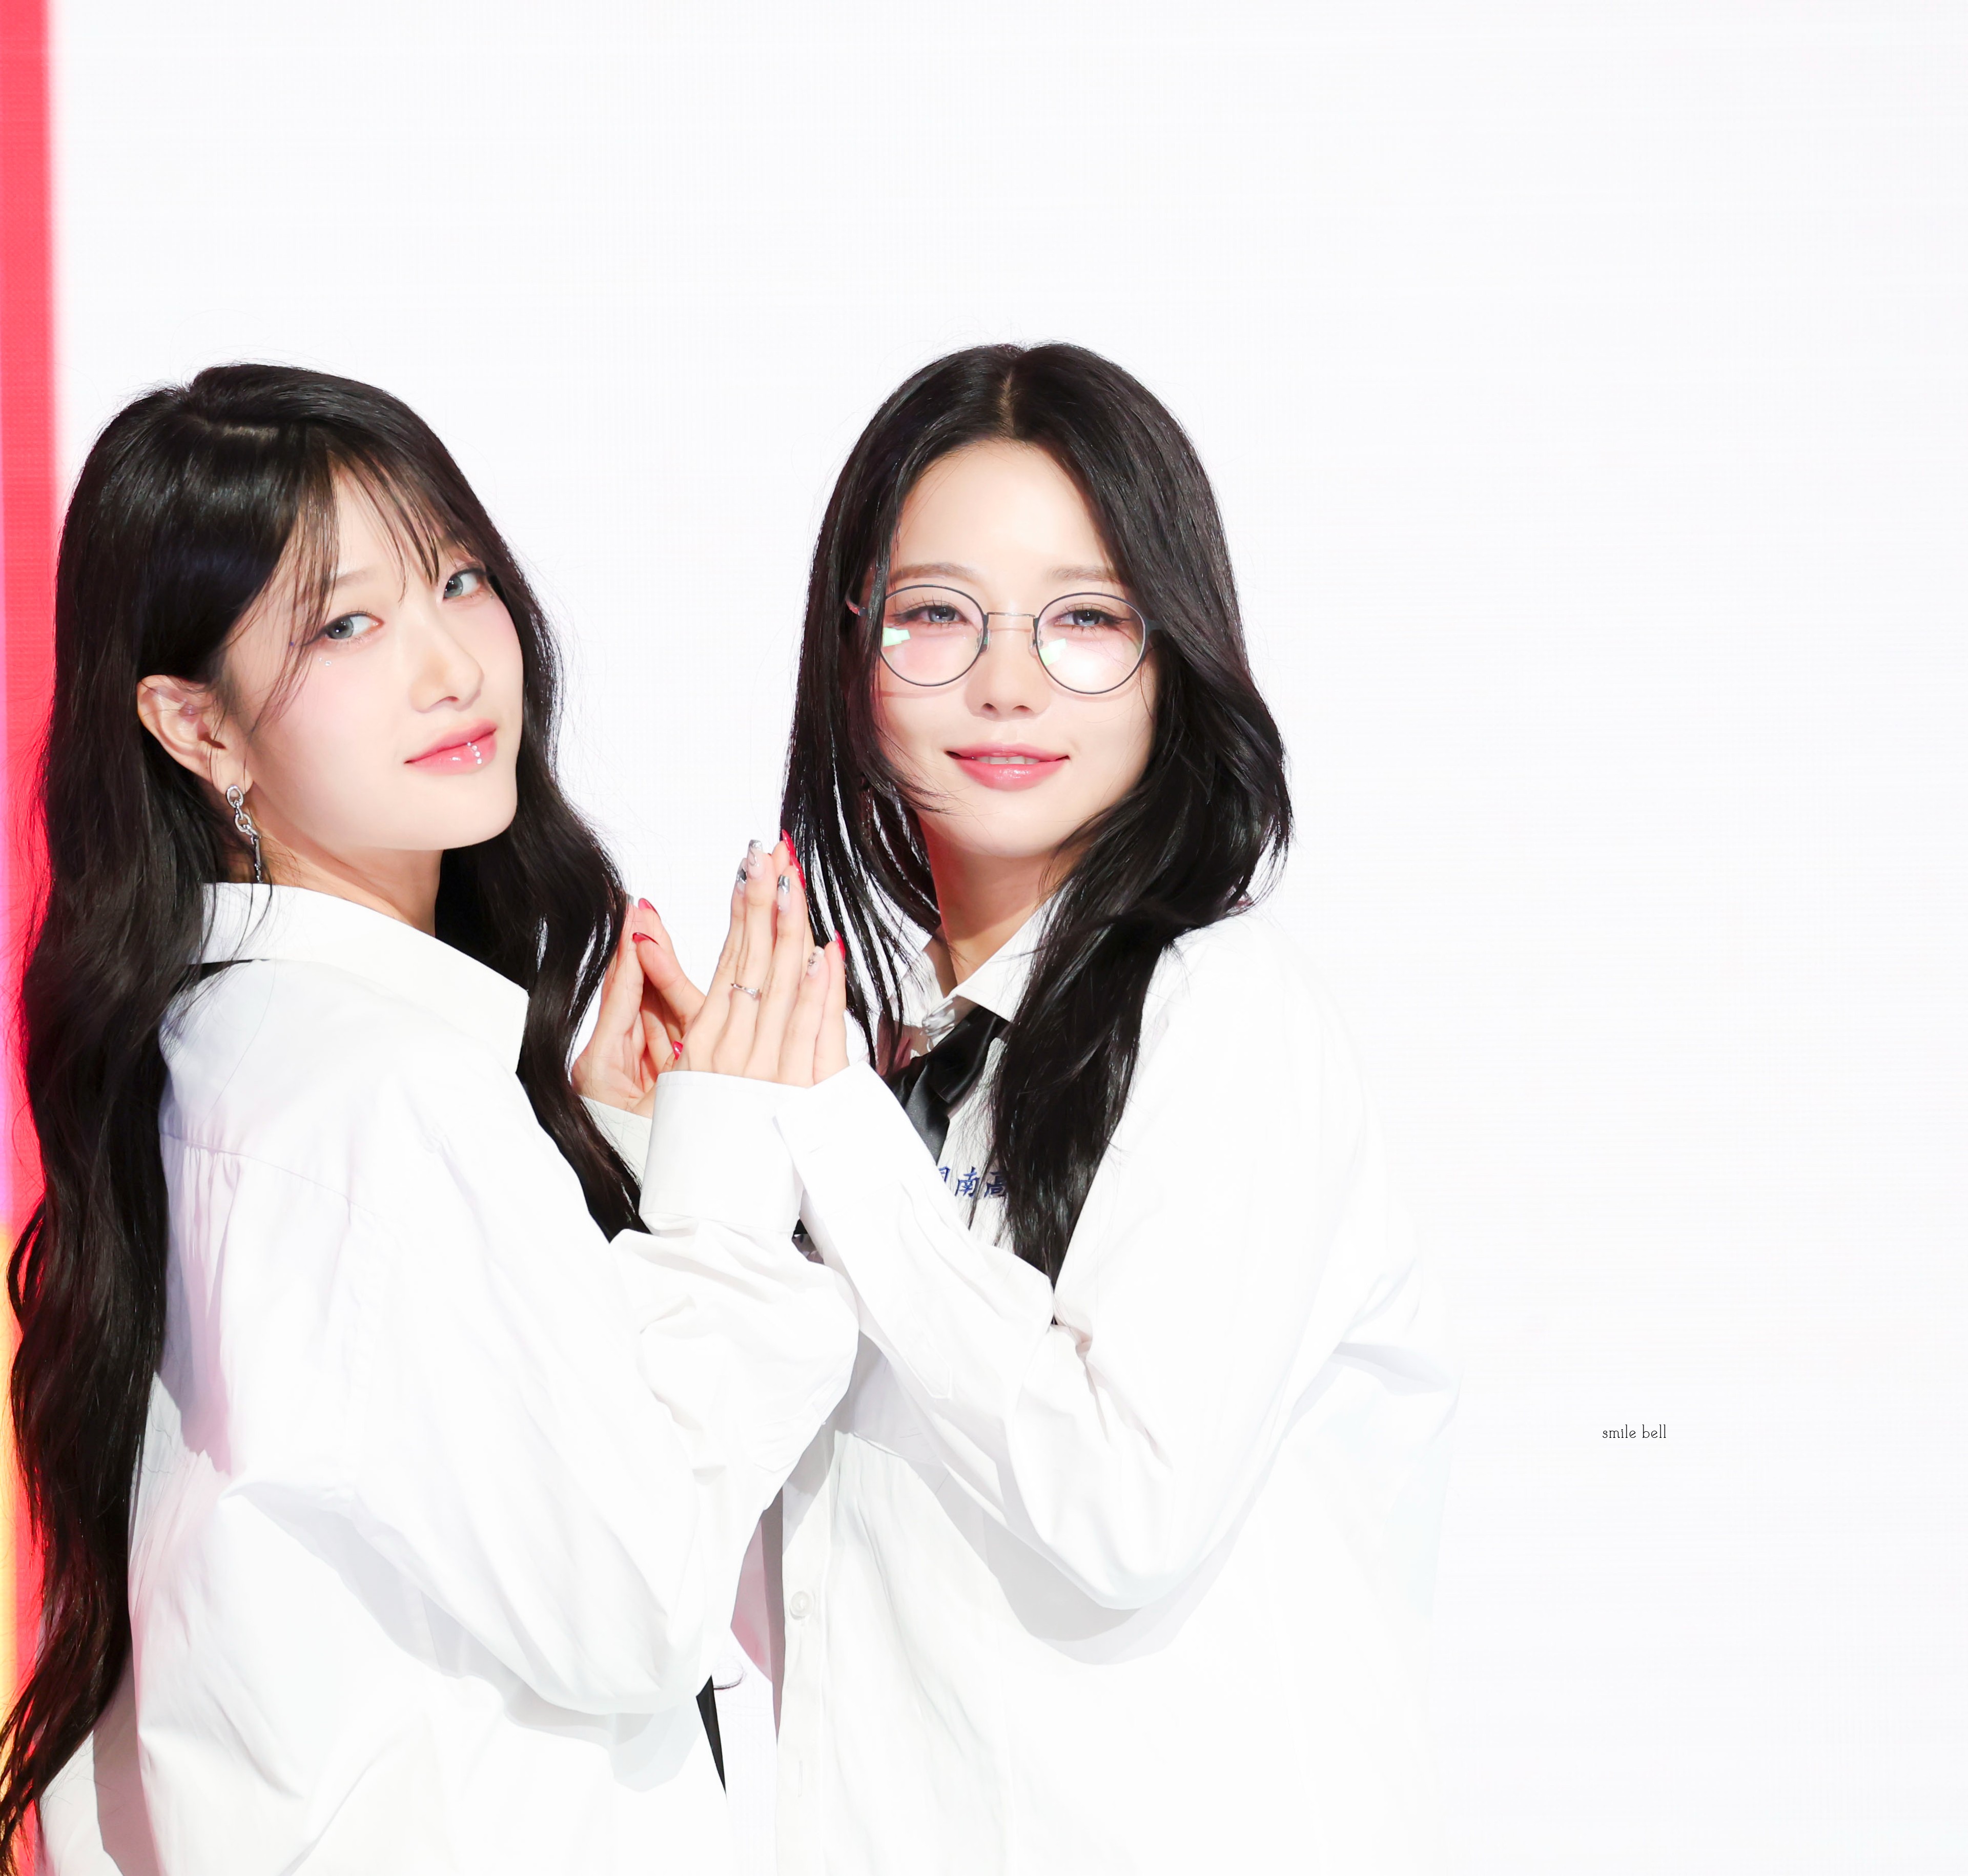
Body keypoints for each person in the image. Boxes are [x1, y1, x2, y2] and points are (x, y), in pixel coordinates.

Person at [590, 344, 1459, 1871]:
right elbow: (762, 1583)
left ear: (1172, 655)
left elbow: (1126, 1503)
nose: (1007, 682)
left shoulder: (1226, 1009)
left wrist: (826, 1126)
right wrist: (690, 1152)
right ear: (851, 651)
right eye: (938, 615)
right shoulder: (905, 1071)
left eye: (1085, 620)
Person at [1, 365, 857, 1876]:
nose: (453, 666)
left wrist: (600, 1161)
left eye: (460, 583)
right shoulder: (383, 1095)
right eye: (346, 626)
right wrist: (721, 1215)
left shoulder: (219, 1046)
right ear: (196, 727)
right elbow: (632, 1609)